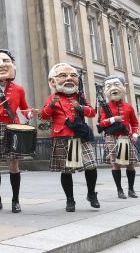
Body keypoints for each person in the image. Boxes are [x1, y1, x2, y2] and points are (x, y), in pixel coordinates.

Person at [0, 49, 36, 213]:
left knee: (13, 165)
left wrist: (30, 114)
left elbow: (25, 110)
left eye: (5, 61)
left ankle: (15, 201)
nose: (1, 65)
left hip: (13, 129)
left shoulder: (19, 89)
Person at [40, 63, 100, 212]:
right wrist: (51, 106)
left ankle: (91, 194)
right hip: (62, 136)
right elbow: (44, 116)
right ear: (53, 81)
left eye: (73, 76)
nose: (69, 78)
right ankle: (70, 200)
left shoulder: (80, 97)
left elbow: (92, 112)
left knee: (91, 165)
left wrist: (80, 107)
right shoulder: (52, 97)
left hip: (80, 136)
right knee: (66, 170)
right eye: (63, 76)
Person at [98, 75, 139, 199]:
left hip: (125, 137)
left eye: (116, 85)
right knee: (116, 164)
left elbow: (135, 123)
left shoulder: (128, 106)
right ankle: (119, 190)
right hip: (111, 137)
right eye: (109, 86)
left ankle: (131, 189)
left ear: (123, 88)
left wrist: (135, 134)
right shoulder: (104, 107)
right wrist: (113, 119)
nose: (113, 89)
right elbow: (101, 123)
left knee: (130, 164)